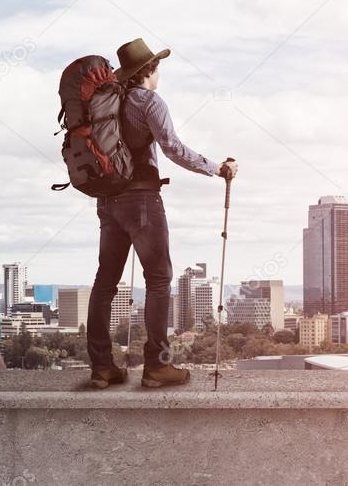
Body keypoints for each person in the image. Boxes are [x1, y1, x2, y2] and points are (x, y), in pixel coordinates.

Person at [87, 38, 237, 389]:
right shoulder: (148, 101)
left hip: (107, 202)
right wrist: (217, 168)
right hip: (142, 201)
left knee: (105, 282)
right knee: (158, 280)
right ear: (149, 70)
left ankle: (102, 368)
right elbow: (172, 148)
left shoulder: (103, 103)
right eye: (158, 67)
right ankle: (156, 366)